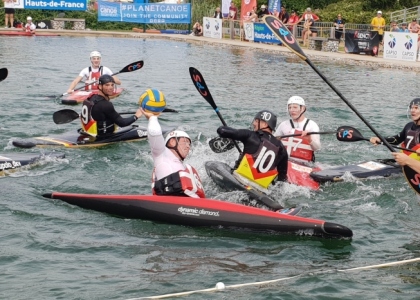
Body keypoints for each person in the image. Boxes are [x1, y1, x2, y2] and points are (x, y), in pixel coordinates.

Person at [217, 110, 288, 192]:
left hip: (238, 181)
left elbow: (222, 131)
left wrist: (228, 129)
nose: (254, 123)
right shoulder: (282, 149)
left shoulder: (250, 135)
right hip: (260, 191)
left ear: (265, 124)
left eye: (257, 121)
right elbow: (282, 180)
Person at [141, 108, 206, 198]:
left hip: (188, 203)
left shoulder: (183, 167)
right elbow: (155, 134)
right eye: (185, 141)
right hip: (171, 203)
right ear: (172, 142)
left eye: (189, 144)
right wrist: (153, 118)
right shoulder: (161, 154)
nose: (188, 146)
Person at [274, 96, 321, 163]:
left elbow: (317, 148)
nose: (292, 110)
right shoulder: (283, 125)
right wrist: (276, 140)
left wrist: (309, 140)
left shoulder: (312, 125)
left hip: (305, 164)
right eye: (290, 107)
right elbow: (272, 143)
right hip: (285, 162)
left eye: (295, 107)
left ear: (303, 109)